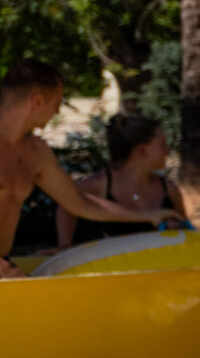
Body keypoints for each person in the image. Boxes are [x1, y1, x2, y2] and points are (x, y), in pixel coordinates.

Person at [0, 63, 187, 276]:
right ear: (38, 101)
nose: (58, 111)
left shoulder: (36, 153)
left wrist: (150, 215)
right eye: (57, 102)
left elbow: (81, 204)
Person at [57, 113, 190, 246]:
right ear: (142, 151)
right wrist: (64, 245)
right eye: (163, 145)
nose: (168, 151)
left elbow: (186, 234)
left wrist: (177, 227)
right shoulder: (99, 185)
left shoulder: (169, 190)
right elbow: (65, 206)